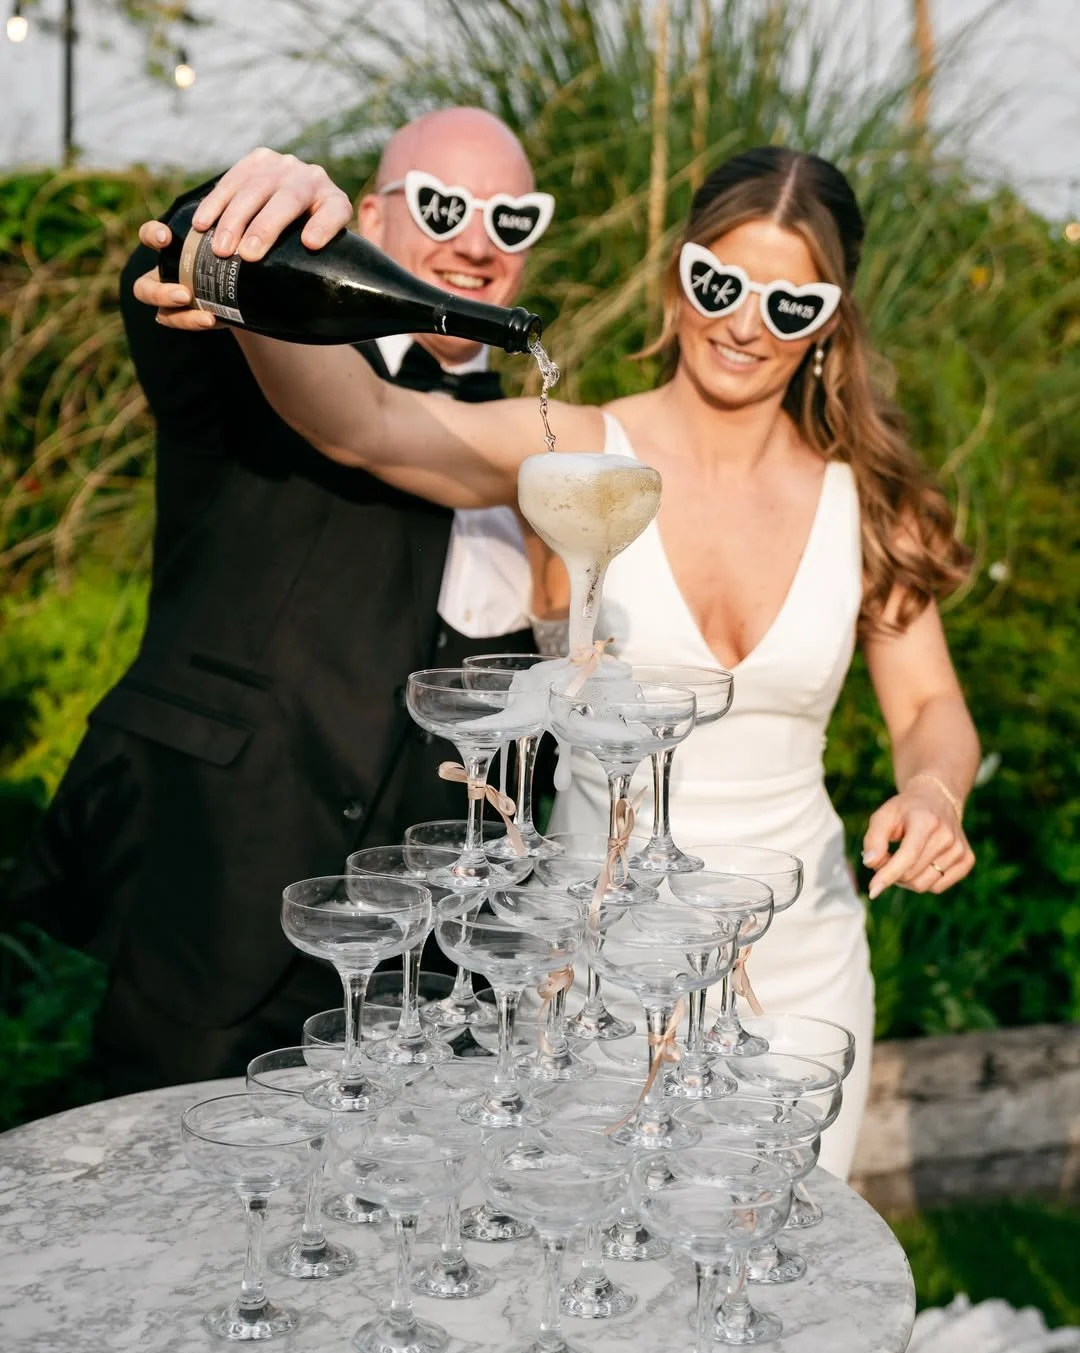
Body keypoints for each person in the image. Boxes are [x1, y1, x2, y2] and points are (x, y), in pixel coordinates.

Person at [141, 144, 980, 1178]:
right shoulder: (576, 452)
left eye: (791, 303)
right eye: (719, 284)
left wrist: (934, 792)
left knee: (776, 1253)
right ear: (676, 280)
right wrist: (248, 268)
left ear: (831, 321)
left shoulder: (869, 497)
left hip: (801, 961)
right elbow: (367, 424)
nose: (746, 324)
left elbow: (929, 705)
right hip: (592, 965)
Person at [12, 108, 559, 1096]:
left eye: (510, 221)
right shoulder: (267, 354)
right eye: (443, 208)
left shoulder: (543, 440)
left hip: (436, 966)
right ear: (371, 219)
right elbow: (181, 267)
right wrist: (245, 206)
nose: (477, 245)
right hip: (222, 901)